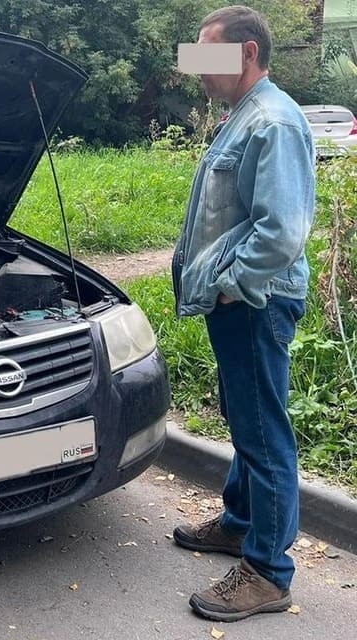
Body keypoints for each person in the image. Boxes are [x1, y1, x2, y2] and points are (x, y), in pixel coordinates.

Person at [171, 5, 316, 622]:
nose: (198, 71)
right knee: (243, 414)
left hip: (256, 301)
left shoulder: (274, 121)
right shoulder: (244, 116)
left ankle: (268, 573)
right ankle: (238, 524)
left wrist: (230, 285)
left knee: (262, 431)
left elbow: (281, 232)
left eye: (208, 56)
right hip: (240, 301)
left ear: (247, 54)